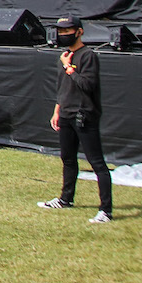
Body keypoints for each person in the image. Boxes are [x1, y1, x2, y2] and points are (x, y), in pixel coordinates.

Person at [40, 16, 112, 223]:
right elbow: (62, 88)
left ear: (79, 31)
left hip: (84, 115)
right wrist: (57, 110)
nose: (63, 35)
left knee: (97, 163)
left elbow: (87, 85)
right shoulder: (64, 56)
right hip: (66, 114)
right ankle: (65, 199)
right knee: (68, 159)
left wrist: (69, 67)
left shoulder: (87, 56)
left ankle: (106, 210)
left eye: (67, 31)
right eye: (61, 32)